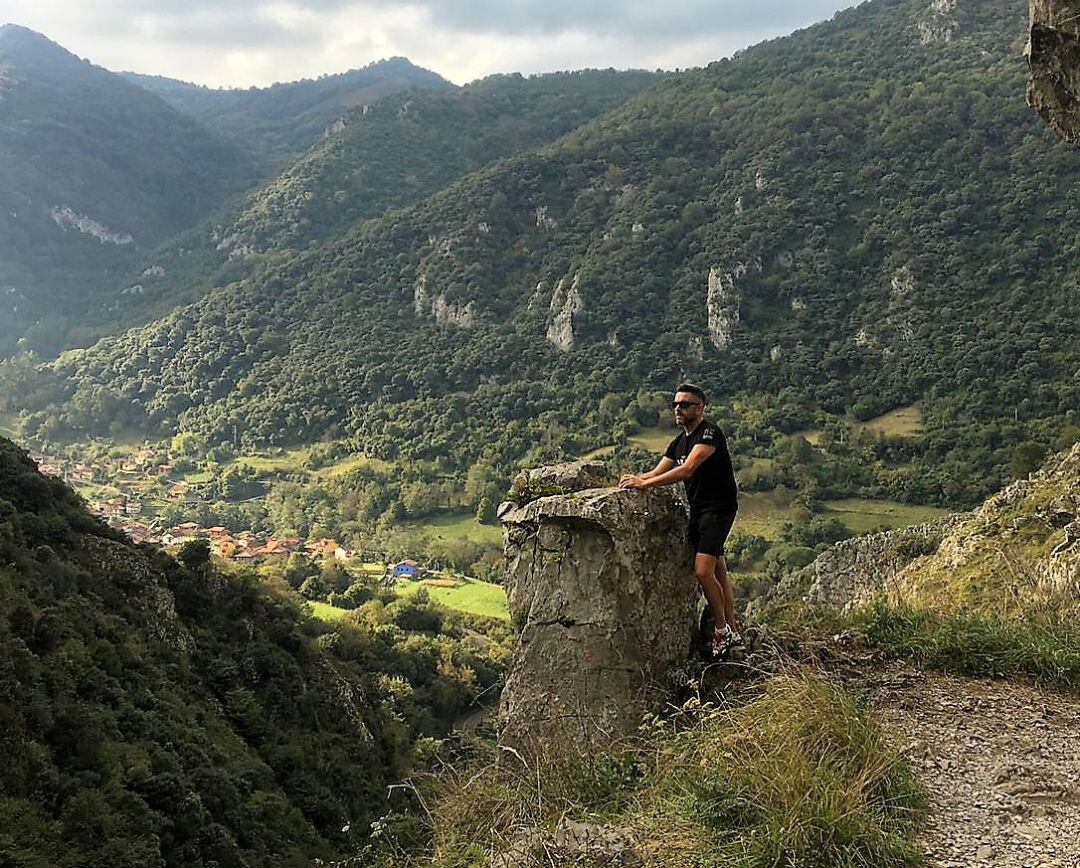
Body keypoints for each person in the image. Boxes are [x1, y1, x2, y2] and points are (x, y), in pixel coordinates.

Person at [618, 383, 741, 657]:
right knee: (719, 569)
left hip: (718, 510)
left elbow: (686, 470)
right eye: (675, 404)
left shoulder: (708, 434)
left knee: (703, 571)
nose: (677, 409)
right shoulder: (680, 441)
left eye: (684, 404)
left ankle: (721, 631)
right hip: (698, 509)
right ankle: (733, 625)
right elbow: (656, 471)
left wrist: (645, 486)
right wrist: (636, 480)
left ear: (699, 408)